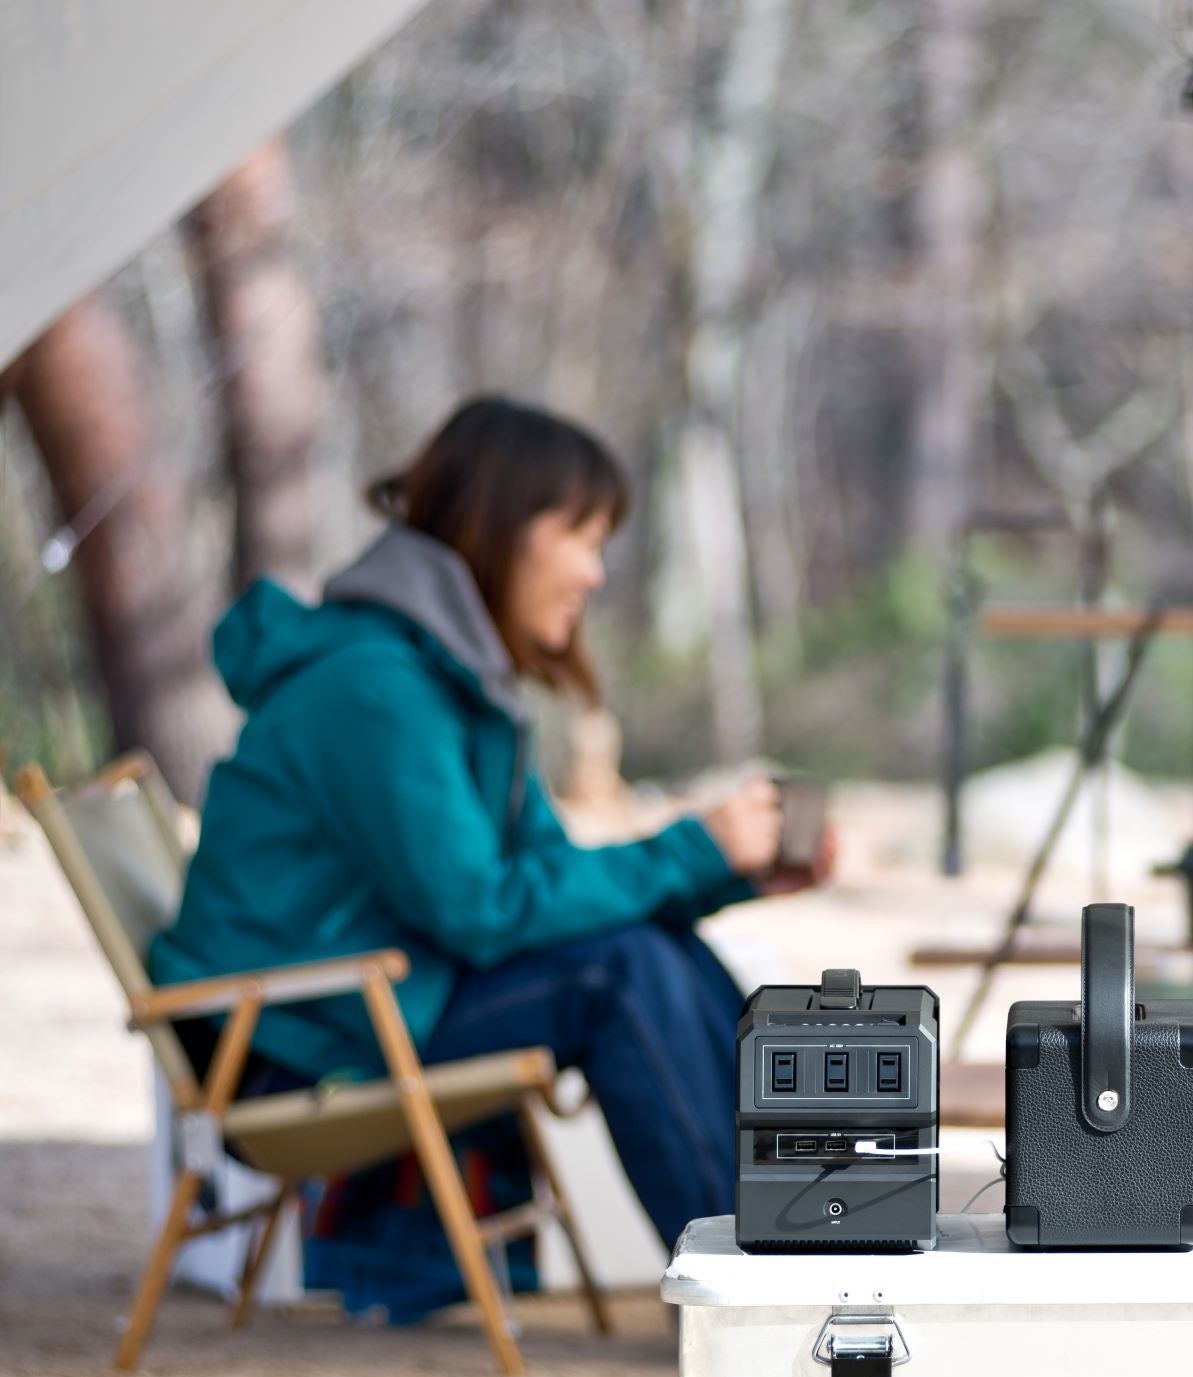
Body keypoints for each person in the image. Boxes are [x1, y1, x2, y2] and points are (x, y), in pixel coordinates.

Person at [152, 396, 833, 1319]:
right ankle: (750, 1299)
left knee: (648, 947)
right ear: (504, 527)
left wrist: (728, 867)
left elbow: (548, 878)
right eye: (582, 537)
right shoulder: (375, 687)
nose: (594, 573)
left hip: (382, 999)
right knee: (622, 971)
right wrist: (691, 844)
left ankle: (795, 1241)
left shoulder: (446, 684)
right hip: (301, 1043)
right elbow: (475, 906)